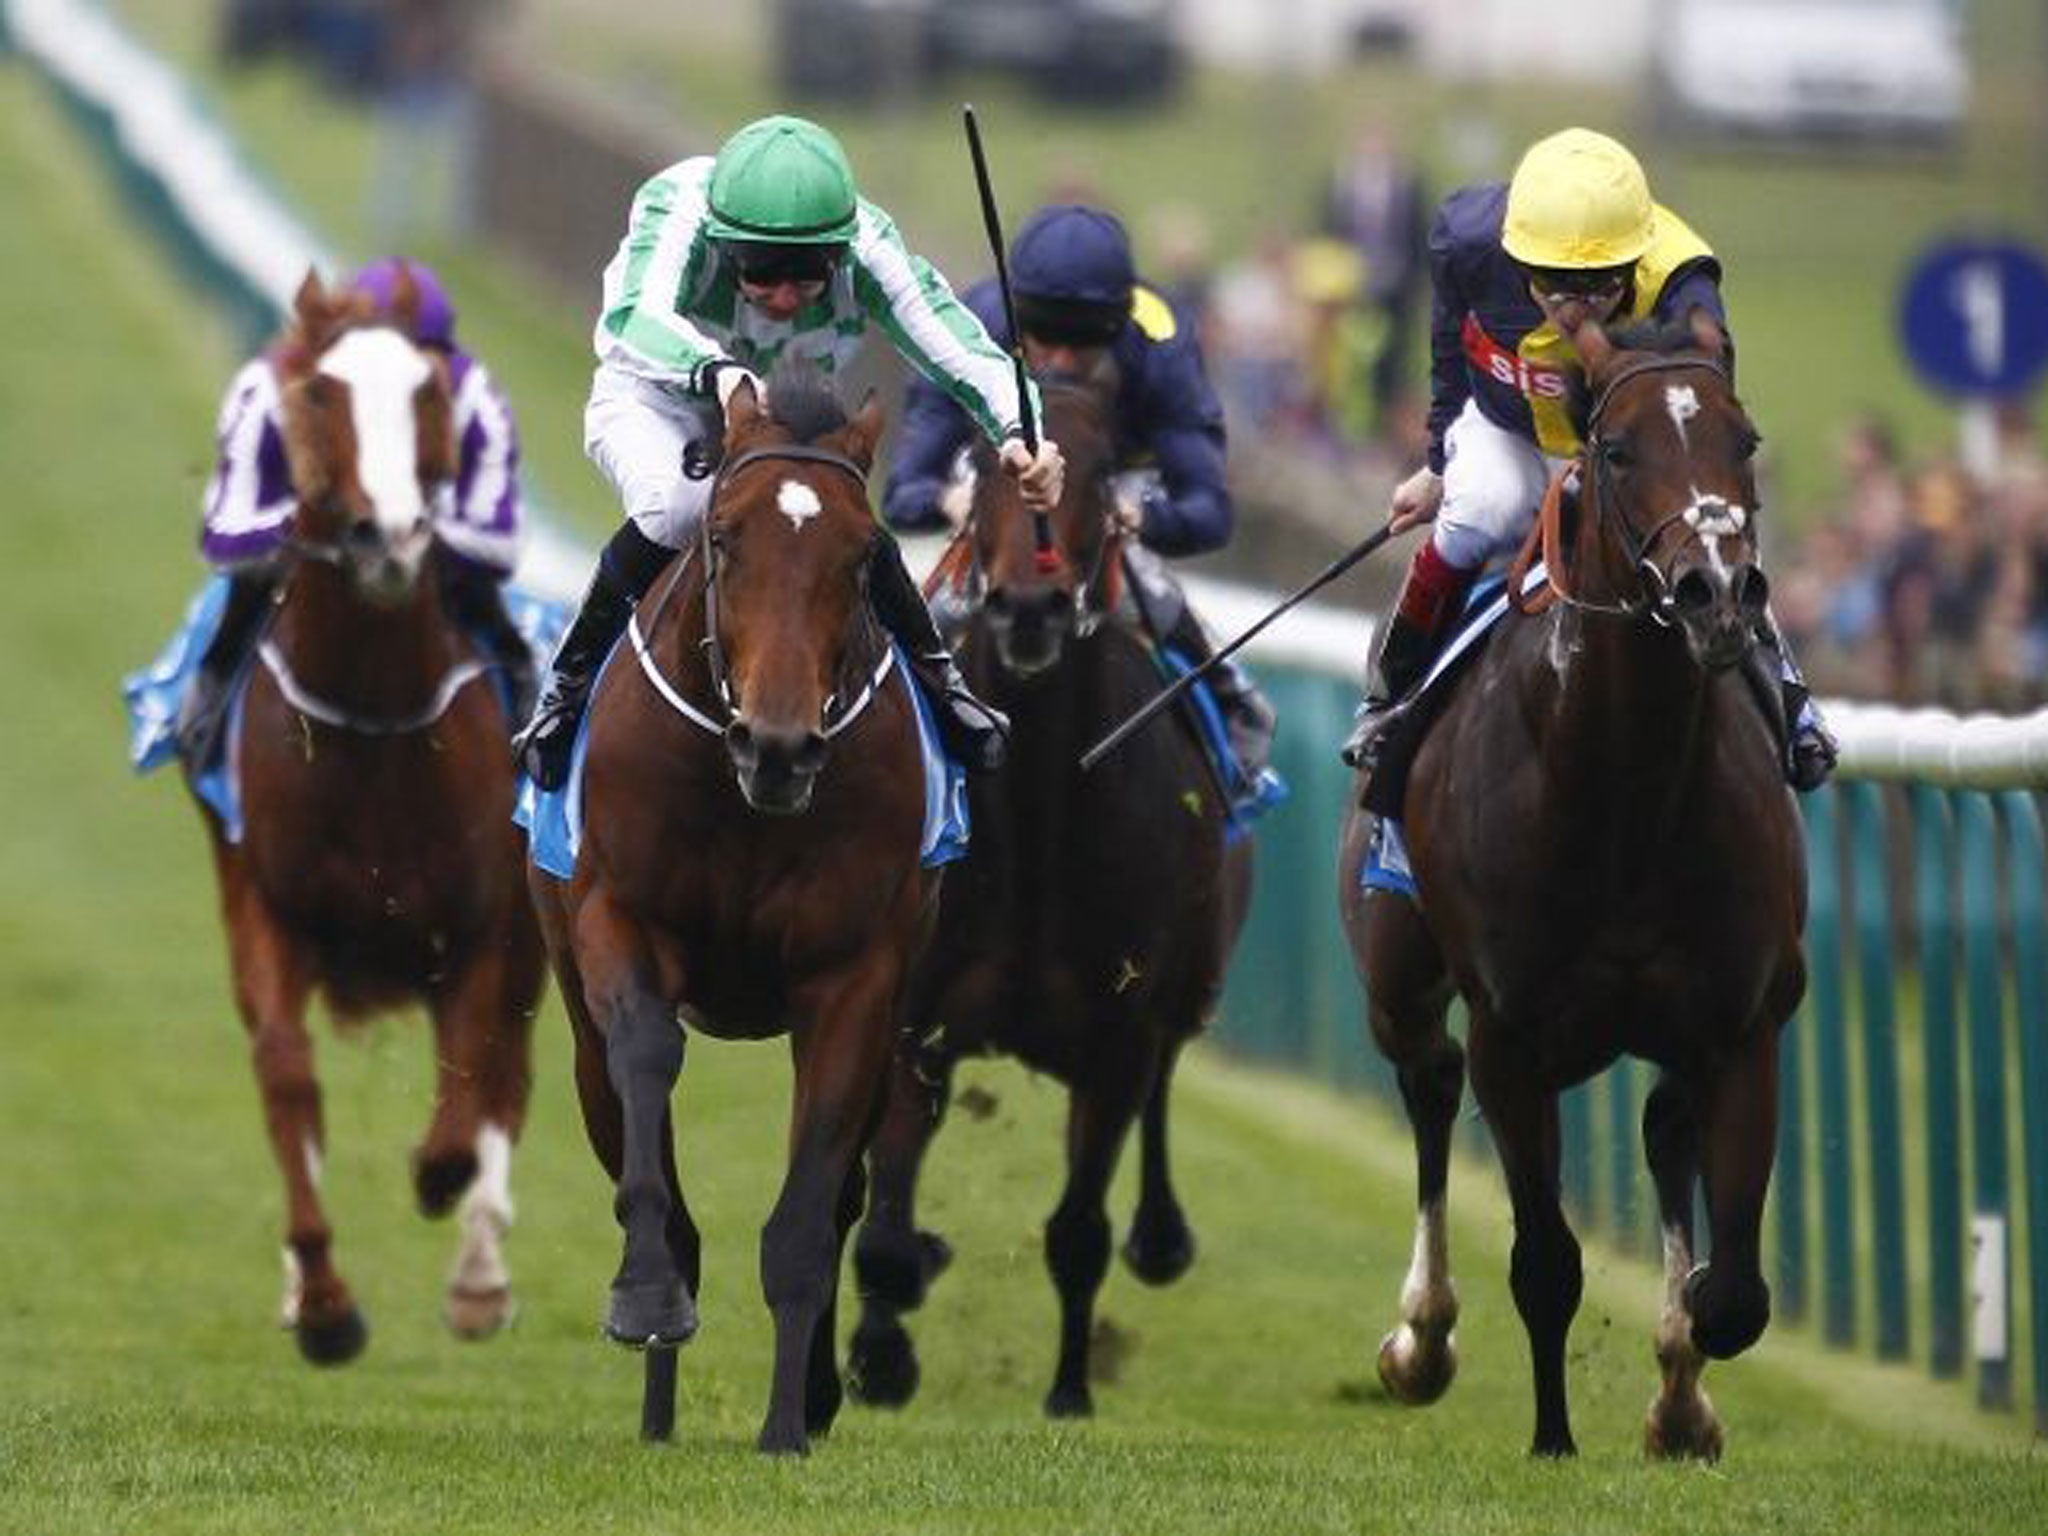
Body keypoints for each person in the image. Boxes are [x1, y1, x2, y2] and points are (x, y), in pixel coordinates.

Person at [513, 114, 1063, 790]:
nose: (783, 295)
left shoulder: (870, 246)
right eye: (763, 271)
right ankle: (564, 689)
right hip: (660, 399)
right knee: (682, 507)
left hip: (786, 418)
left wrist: (1024, 434)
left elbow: (962, 351)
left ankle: (941, 684)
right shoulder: (679, 205)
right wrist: (719, 375)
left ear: (839, 250)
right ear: (726, 244)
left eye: (808, 274)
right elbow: (628, 319)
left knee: (841, 520)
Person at [1340, 127, 1836, 791]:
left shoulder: (1683, 279)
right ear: (1517, 256)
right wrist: (1438, 465)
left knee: (1707, 529)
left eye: (1600, 283)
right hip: (1507, 425)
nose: (1575, 304)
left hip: (1626, 439)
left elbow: (1707, 411)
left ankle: (1792, 701)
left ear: (1637, 258)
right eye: (1553, 282)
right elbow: (1447, 352)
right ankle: (1390, 696)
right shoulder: (1465, 239)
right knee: (1483, 511)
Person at [881, 202, 1277, 781]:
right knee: (934, 611)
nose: (1062, 364)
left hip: (1113, 486)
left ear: (1117, 325)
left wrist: (1135, 515)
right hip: (997, 478)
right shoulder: (967, 325)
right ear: (1019, 318)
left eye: (1084, 346)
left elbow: (1208, 511)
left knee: (1155, 596)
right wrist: (952, 501)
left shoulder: (1160, 338)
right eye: (1044, 341)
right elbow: (903, 492)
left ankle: (1237, 711)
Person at [178, 256, 534, 769]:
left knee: (491, 612)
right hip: (299, 558)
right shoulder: (267, 389)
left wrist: (412, 535)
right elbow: (222, 535)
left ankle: (527, 699)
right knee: (244, 591)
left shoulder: (473, 398)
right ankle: (212, 684)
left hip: (437, 565)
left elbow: (497, 545)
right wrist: (309, 530)